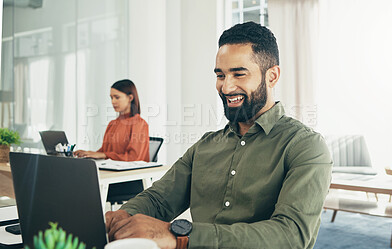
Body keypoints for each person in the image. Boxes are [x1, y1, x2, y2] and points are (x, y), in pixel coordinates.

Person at [105, 22, 332, 249]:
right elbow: (159, 199)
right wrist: (122, 217)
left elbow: (291, 235)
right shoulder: (206, 146)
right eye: (220, 75)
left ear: (272, 76)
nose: (226, 87)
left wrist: (180, 237)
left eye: (239, 74)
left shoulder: (306, 146)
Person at [74, 79, 149, 162]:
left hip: (130, 173)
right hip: (112, 170)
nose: (113, 101)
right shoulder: (113, 124)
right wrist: (88, 154)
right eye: (111, 98)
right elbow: (106, 152)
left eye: (117, 97)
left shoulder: (139, 123)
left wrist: (104, 155)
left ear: (130, 98)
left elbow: (134, 158)